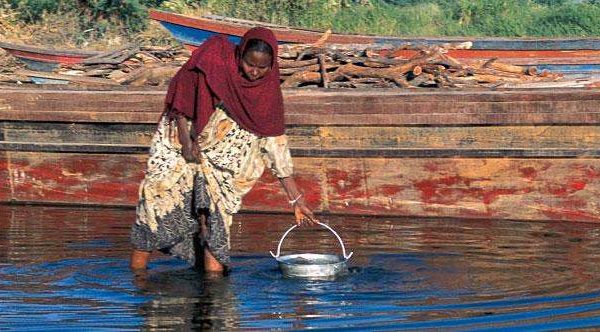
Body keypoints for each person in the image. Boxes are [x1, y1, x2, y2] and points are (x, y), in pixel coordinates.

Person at [129, 27, 318, 274]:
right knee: (155, 213)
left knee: (216, 225)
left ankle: (215, 296)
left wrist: (296, 198)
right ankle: (138, 285)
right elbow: (184, 98)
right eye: (250, 64)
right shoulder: (215, 62)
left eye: (262, 67)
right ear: (240, 56)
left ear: (272, 66)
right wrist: (186, 143)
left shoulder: (267, 94)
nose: (254, 72)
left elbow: (274, 146)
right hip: (178, 146)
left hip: (222, 163)